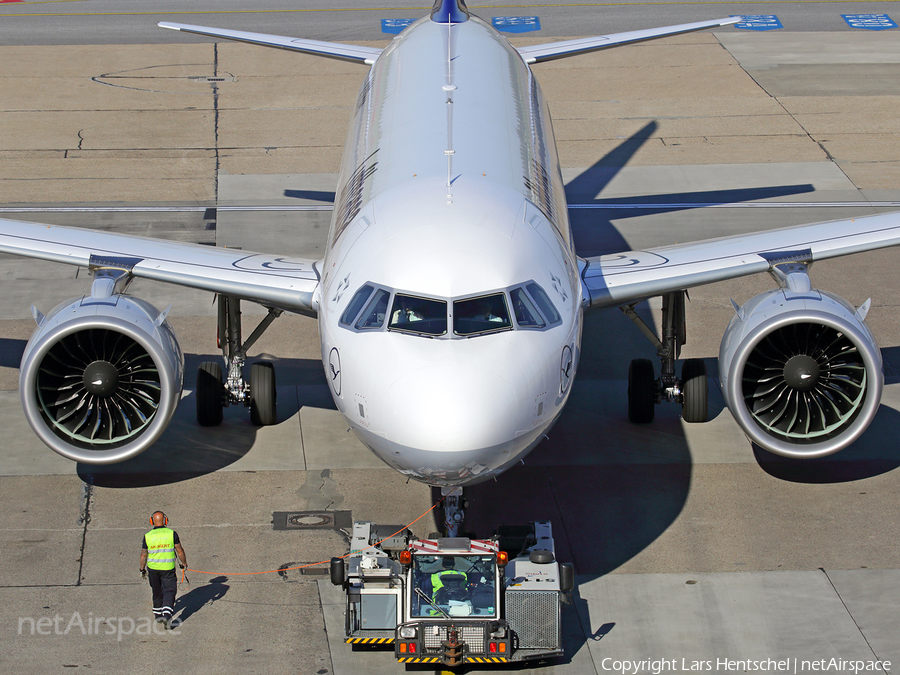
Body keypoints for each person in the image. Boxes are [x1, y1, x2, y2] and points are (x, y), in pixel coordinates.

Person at [139, 511, 187, 629]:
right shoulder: (171, 534)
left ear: (152, 521)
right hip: (168, 569)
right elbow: (179, 550)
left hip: (153, 569)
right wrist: (183, 563)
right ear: (165, 521)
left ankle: (158, 614)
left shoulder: (147, 536)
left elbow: (143, 555)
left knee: (157, 590)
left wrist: (142, 569)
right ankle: (166, 614)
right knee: (169, 591)